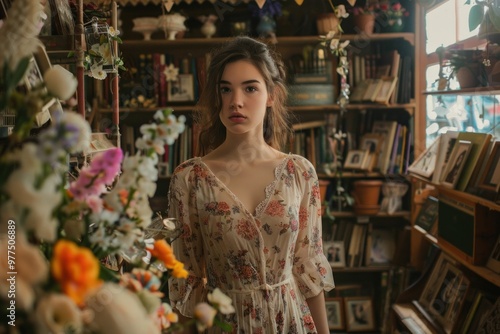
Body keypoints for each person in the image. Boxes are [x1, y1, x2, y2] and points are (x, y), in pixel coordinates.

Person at [167, 36, 334, 333]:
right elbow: (187, 280)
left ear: (271, 95)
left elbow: (309, 267)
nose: (236, 101)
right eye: (225, 89)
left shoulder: (299, 173)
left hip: (290, 321)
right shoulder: (190, 179)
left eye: (250, 88)